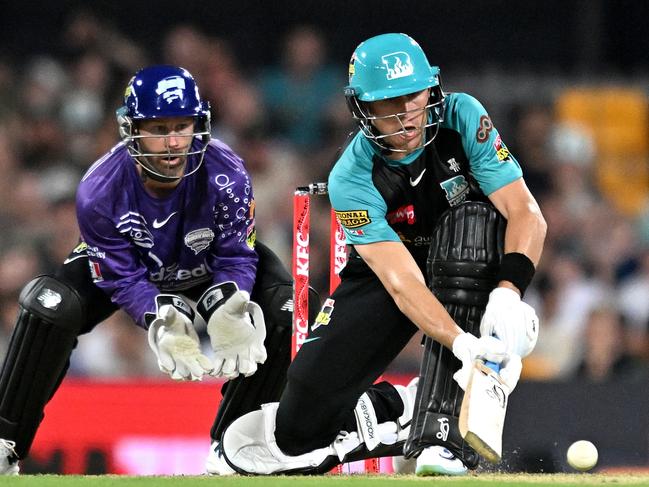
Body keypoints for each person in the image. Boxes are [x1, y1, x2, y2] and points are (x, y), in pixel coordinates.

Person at [220, 33, 546, 476]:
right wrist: (465, 345)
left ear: (431, 87)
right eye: (388, 101)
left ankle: (443, 430)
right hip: (395, 269)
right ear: (362, 108)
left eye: (413, 94)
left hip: (475, 263)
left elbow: (526, 213)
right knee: (300, 420)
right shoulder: (350, 177)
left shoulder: (464, 116)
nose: (407, 112)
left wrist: (509, 292)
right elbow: (401, 282)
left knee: (470, 222)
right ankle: (399, 410)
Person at [0, 65, 316, 475]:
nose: (172, 143)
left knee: (288, 310)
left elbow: (236, 253)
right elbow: (122, 277)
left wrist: (230, 302)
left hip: (208, 265)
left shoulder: (228, 173)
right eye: (158, 128)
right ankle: (6, 442)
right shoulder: (99, 190)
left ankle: (237, 452)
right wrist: (161, 317)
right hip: (136, 268)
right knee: (48, 304)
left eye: (182, 126)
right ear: (131, 130)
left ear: (198, 125)